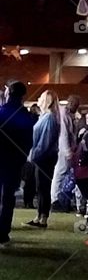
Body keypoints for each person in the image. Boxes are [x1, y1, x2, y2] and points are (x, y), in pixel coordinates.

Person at [0, 81, 37, 246]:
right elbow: (28, 142)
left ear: (9, 93)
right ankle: (3, 232)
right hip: (14, 162)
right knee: (8, 197)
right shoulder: (25, 116)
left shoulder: (2, 112)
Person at [22, 91, 61, 230]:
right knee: (41, 187)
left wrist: (33, 155)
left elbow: (45, 141)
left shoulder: (49, 117)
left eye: (41, 97)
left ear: (47, 100)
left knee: (43, 187)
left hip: (45, 158)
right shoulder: (45, 116)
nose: (38, 99)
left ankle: (43, 217)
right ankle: (40, 216)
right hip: (43, 157)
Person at [50, 95, 81, 212]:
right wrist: (68, 151)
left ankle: (61, 199)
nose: (76, 107)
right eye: (75, 105)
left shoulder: (69, 115)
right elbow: (63, 135)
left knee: (63, 175)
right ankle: (55, 200)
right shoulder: (64, 115)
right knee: (60, 174)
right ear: (70, 103)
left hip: (68, 149)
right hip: (63, 150)